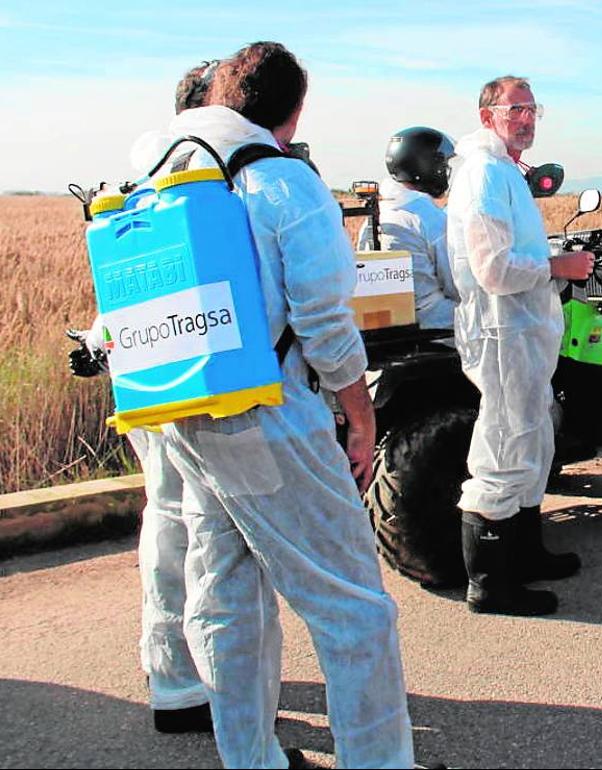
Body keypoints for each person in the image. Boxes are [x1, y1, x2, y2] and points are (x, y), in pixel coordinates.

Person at [150, 42, 422, 768]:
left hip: (185, 416)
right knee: (352, 607)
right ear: (294, 108)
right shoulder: (282, 184)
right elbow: (328, 325)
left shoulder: (166, 173)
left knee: (227, 593)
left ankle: (252, 757)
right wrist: (359, 418)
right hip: (272, 420)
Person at [67, 60, 224, 736]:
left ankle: (178, 676)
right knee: (187, 530)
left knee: (169, 523)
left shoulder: (150, 162)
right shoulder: (193, 161)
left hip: (146, 362)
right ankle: (189, 682)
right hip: (183, 367)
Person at [446, 75, 593, 616]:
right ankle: (490, 582)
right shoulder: (484, 174)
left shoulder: (504, 170)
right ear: (487, 116)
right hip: (503, 331)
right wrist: (561, 267)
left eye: (533, 109)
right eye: (516, 109)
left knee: (531, 440)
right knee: (504, 447)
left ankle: (526, 553)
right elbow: (493, 269)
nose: (527, 118)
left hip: (523, 330)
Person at [357, 126, 459, 334]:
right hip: (434, 323)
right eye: (443, 163)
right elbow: (456, 284)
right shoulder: (426, 217)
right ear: (427, 165)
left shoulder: (376, 213)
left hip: (385, 326)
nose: (445, 170)